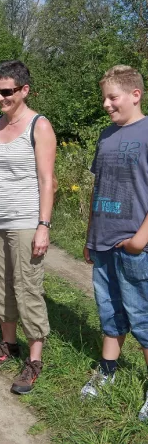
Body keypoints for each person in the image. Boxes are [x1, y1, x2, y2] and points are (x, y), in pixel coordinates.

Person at [0, 60, 56, 394]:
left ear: (24, 90)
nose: (0, 98)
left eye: (7, 92)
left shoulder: (39, 126)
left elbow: (47, 180)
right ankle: (8, 346)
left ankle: (34, 360)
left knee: (27, 288)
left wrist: (43, 225)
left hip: (26, 221)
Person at [82, 65, 148, 421]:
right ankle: (107, 371)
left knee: (143, 316)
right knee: (109, 310)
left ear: (135, 94)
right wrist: (90, 234)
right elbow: (99, 187)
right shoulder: (106, 136)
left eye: (113, 97)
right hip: (103, 240)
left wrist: (141, 238)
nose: (106, 104)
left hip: (135, 245)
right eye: (104, 98)